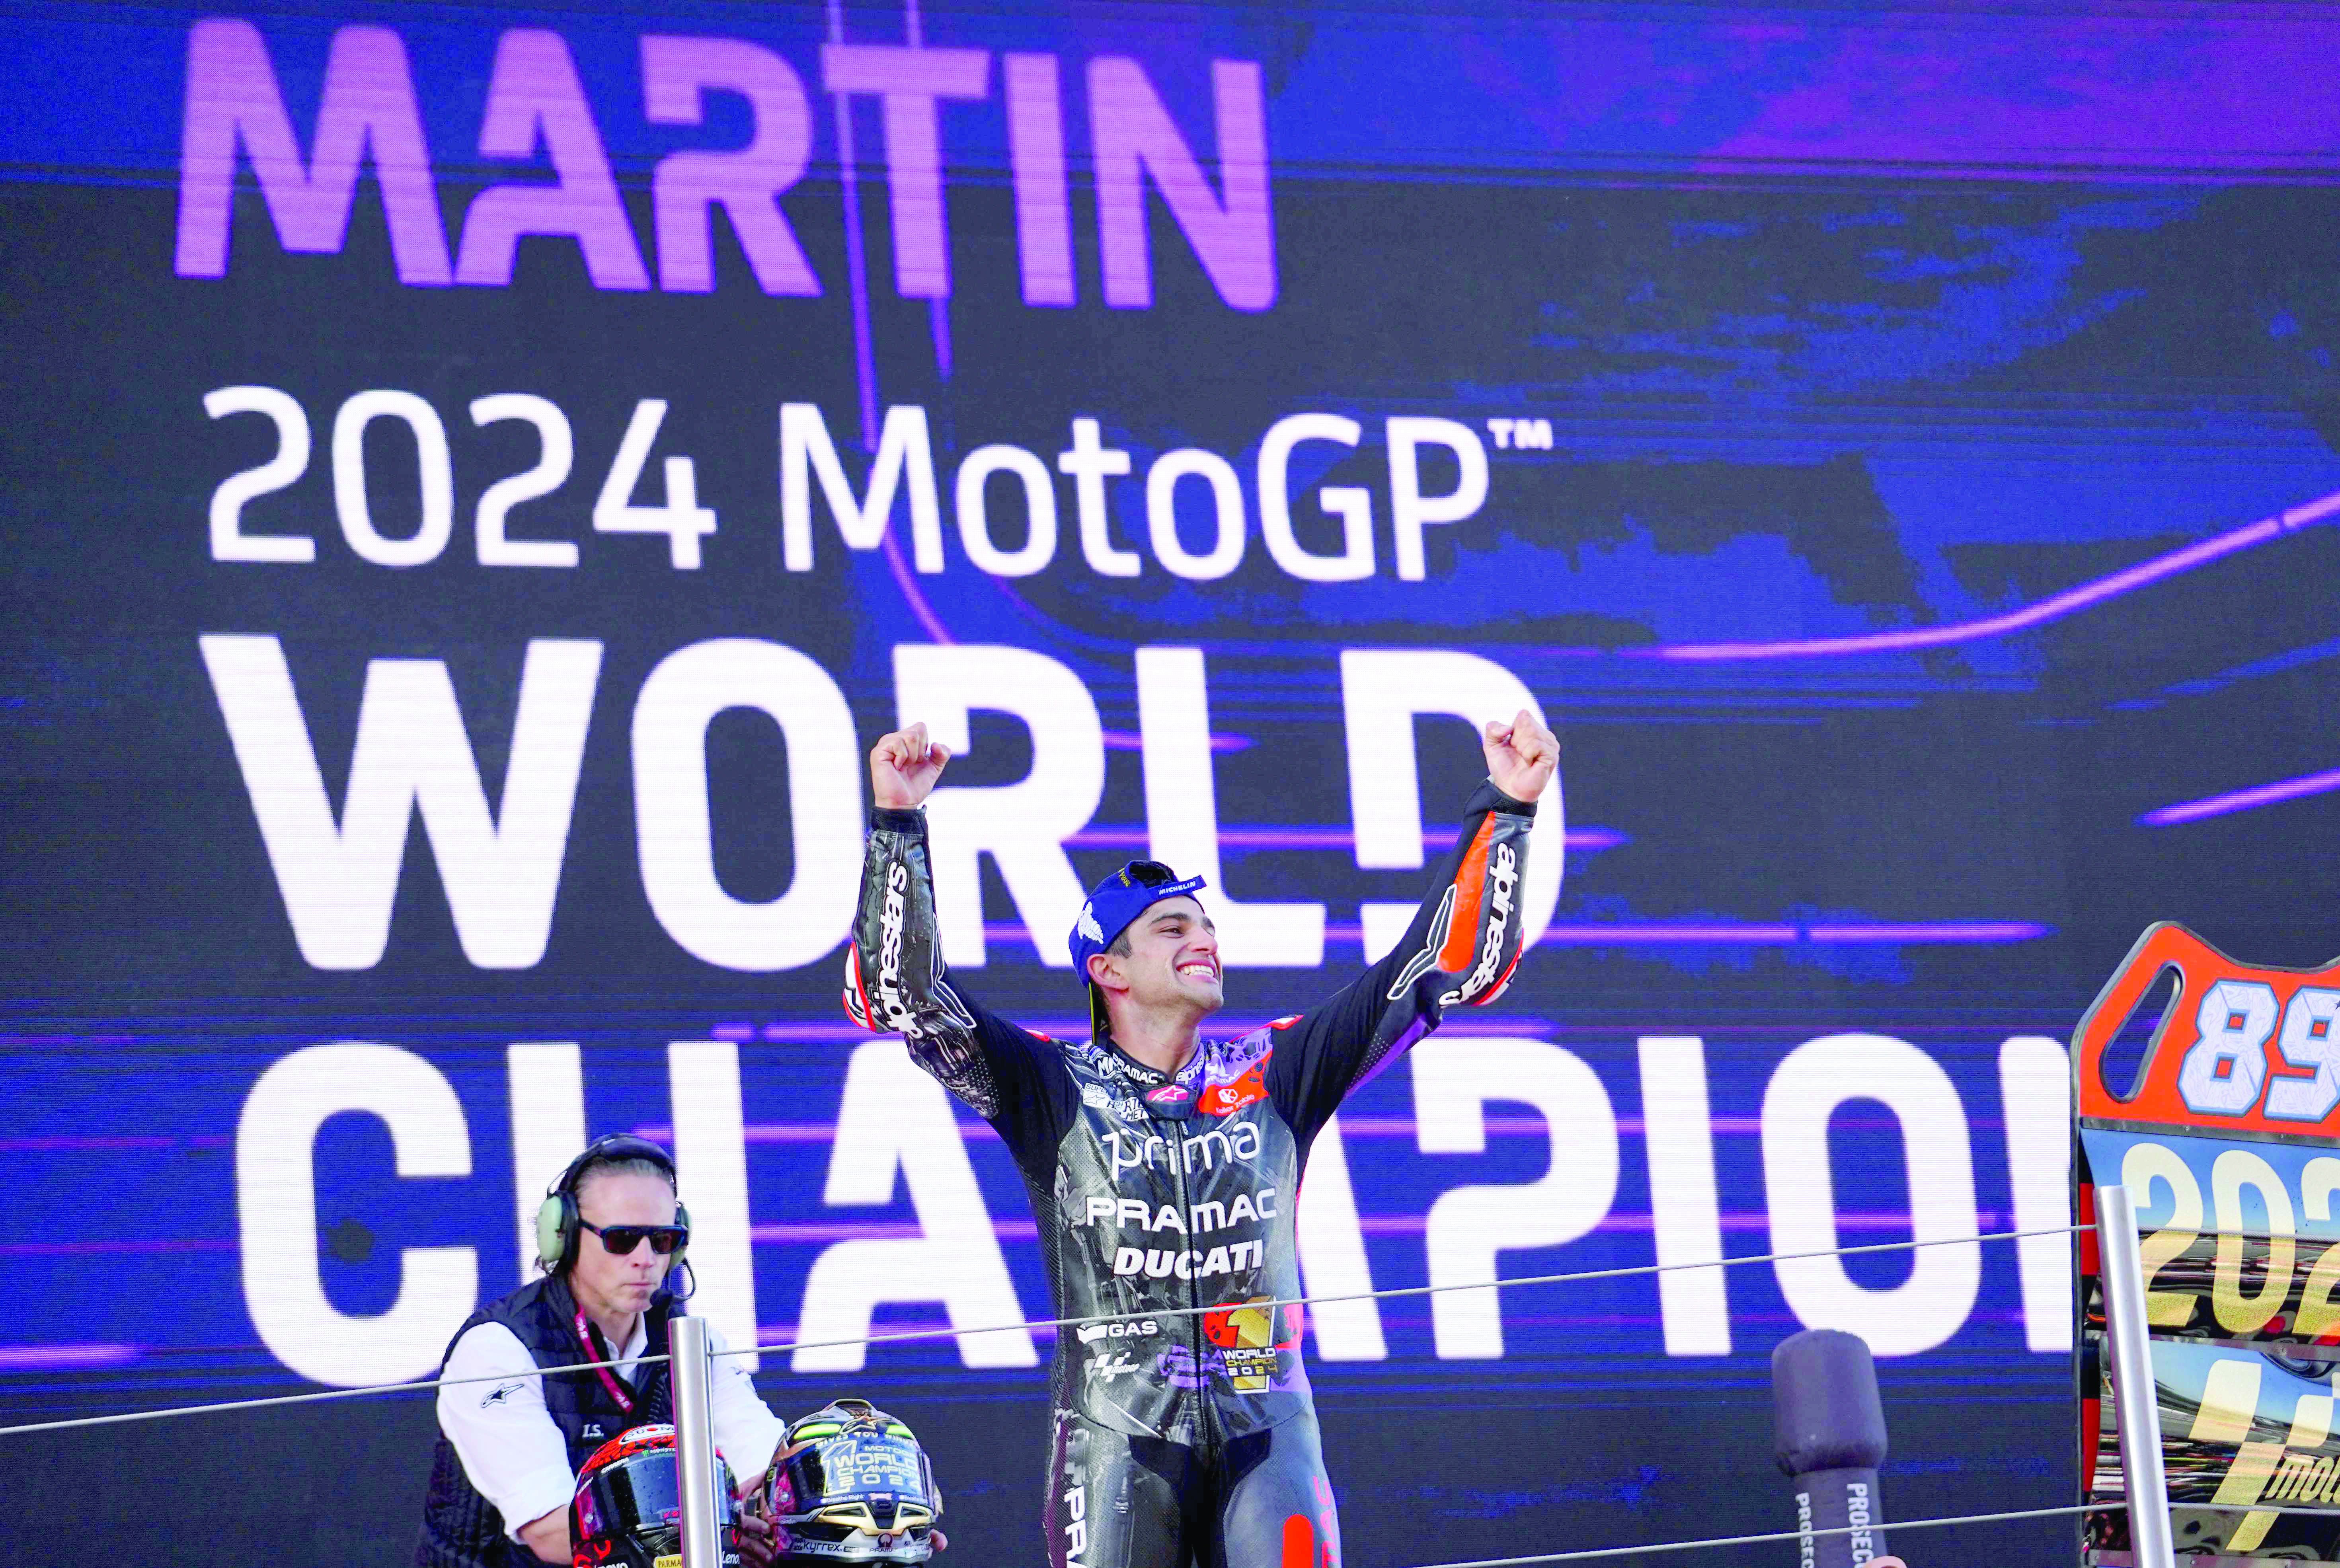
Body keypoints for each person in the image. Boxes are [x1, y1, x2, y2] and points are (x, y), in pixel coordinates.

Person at [842, 710, 1559, 1568]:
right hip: (1117, 1440)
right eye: (1171, 928)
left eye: (1206, 925)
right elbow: (900, 998)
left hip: (1270, 1429)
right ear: (1107, 969)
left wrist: (1507, 804)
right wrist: (897, 823)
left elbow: (1447, 965)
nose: (1204, 939)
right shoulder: (1050, 1085)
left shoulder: (1277, 1068)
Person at [413, 1135, 788, 1568]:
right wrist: (717, 1530)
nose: (645, 1259)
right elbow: (552, 1532)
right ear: (565, 1235)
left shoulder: (688, 1340)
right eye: (622, 1238)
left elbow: (765, 1468)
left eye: (663, 1239)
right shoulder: (496, 1348)